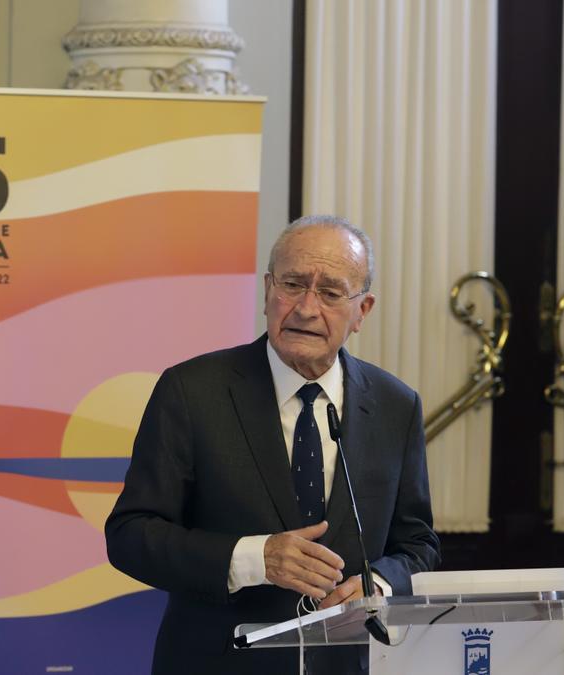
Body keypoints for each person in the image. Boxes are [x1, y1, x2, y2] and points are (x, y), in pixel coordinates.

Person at [106, 215, 440, 674]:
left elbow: (418, 543)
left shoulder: (395, 405)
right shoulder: (192, 390)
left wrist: (379, 584)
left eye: (330, 292)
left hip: (346, 664)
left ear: (362, 311)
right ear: (268, 290)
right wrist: (252, 558)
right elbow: (130, 535)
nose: (305, 307)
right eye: (293, 283)